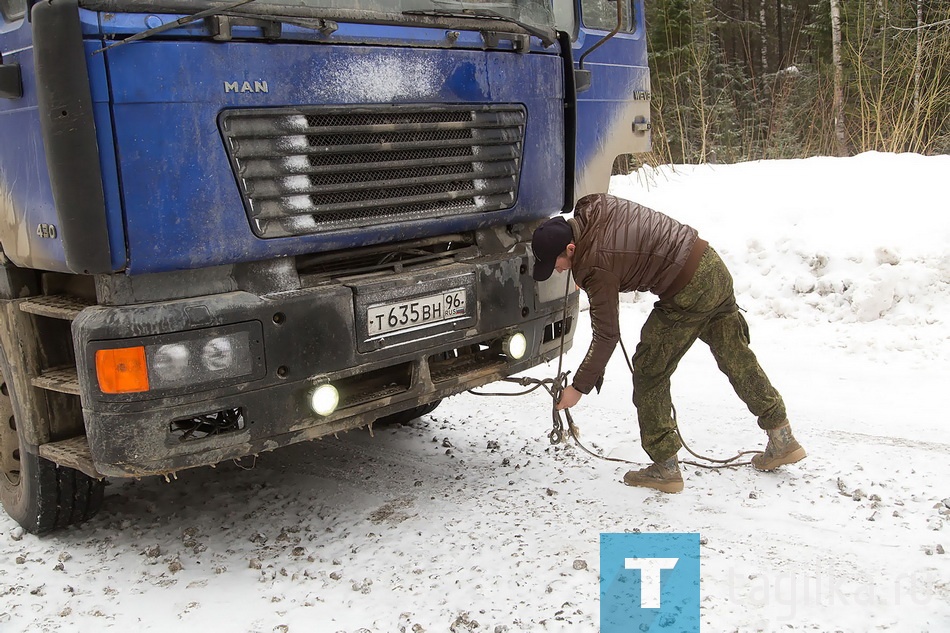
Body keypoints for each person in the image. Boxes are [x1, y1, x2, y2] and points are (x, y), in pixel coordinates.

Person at [531, 193, 805, 493]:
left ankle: (665, 467)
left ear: (571, 247)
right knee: (736, 356)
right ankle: (782, 436)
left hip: (686, 288)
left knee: (649, 369)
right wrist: (596, 275)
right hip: (711, 267)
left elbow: (607, 335)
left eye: (557, 263)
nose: (558, 270)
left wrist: (578, 388)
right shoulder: (595, 209)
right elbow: (624, 248)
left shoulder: (594, 265)